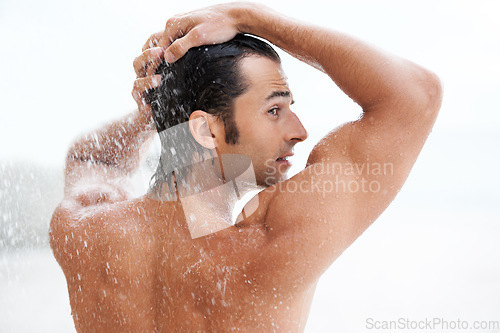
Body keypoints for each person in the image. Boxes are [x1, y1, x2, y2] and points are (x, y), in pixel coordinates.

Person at [50, 2, 442, 332]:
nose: (299, 131)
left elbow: (93, 158)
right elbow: (415, 96)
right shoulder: (269, 250)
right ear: (204, 128)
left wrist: (161, 108)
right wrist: (249, 17)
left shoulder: (87, 232)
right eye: (274, 109)